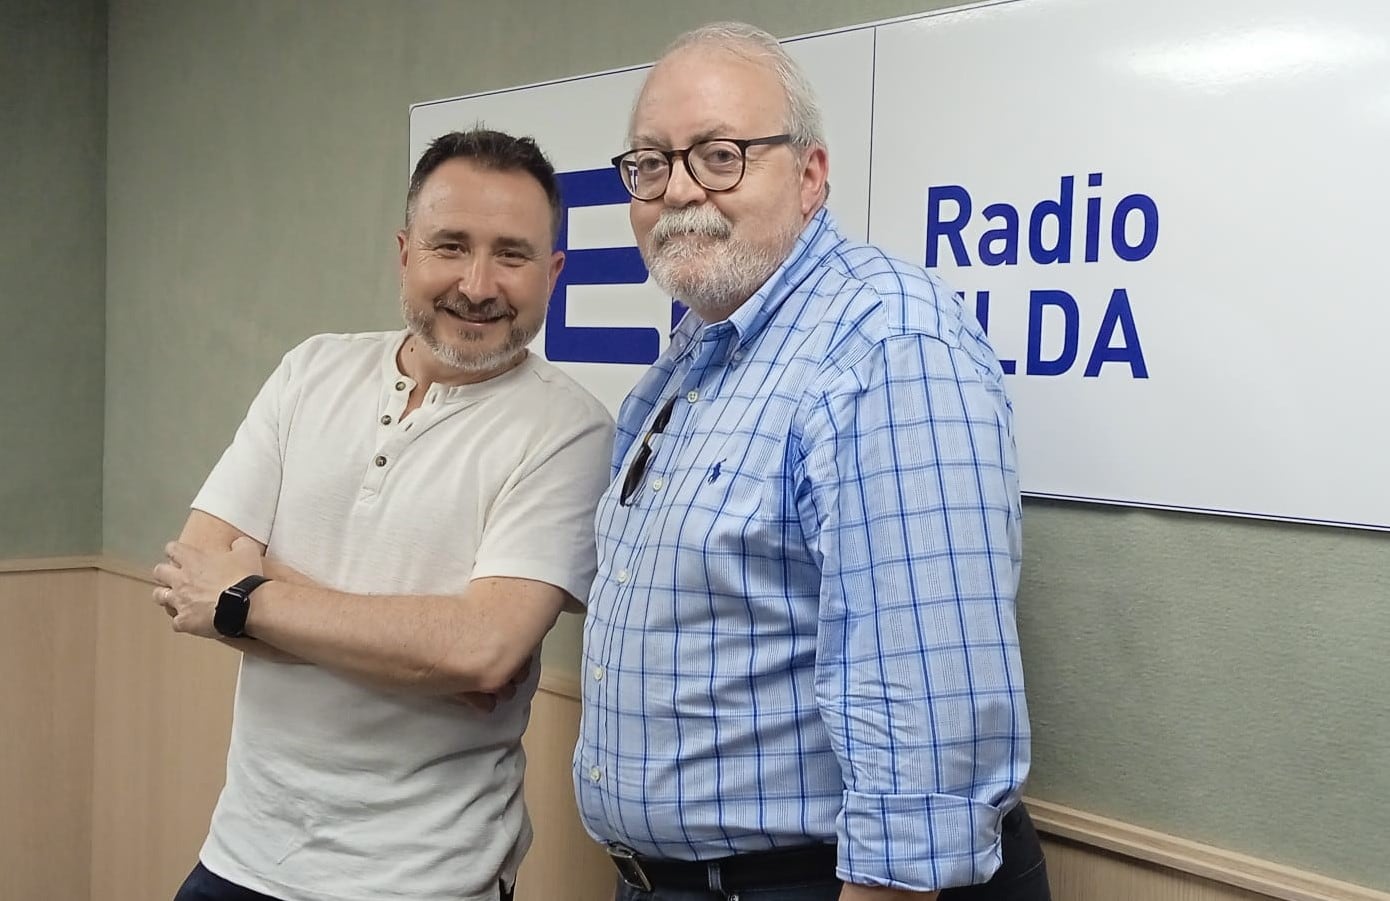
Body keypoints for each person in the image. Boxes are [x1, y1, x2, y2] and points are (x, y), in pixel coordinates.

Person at [574, 23, 1049, 901]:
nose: (679, 190)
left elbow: (926, 718)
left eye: (720, 156)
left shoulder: (882, 337)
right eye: (650, 163)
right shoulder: (690, 361)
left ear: (811, 174)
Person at [152, 128, 614, 901]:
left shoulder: (572, 429)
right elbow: (191, 573)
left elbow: (481, 652)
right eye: (450, 246)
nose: (478, 282)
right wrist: (416, 652)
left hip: (427, 880)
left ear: (553, 272)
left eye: (512, 254)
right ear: (405, 252)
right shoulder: (310, 370)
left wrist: (249, 595)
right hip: (239, 859)